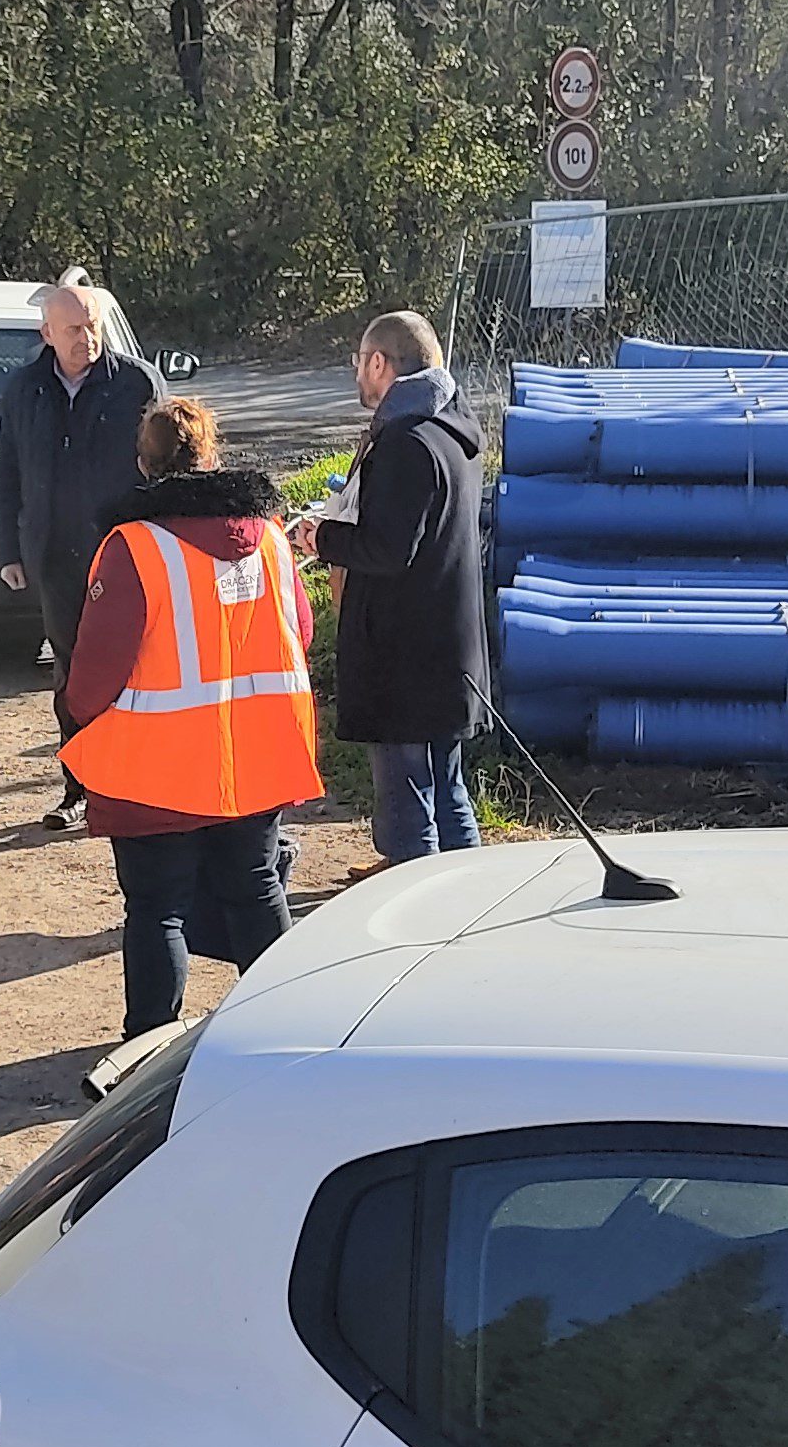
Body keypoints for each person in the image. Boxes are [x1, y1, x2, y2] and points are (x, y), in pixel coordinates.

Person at [61, 398, 323, 1038]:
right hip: (259, 757)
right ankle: (283, 1032)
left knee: (157, 908)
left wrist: (78, 719)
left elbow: (94, 676)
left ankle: (148, 1047)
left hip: (157, 769)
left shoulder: (133, 547)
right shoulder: (268, 539)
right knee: (258, 891)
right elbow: (303, 630)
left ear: (144, 466)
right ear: (213, 458)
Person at [295, 311, 488, 868]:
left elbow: (387, 549)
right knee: (445, 789)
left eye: (360, 360)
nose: (357, 372)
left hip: (404, 650)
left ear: (381, 363)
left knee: (409, 801)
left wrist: (322, 538)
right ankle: (466, 896)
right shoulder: (453, 430)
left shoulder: (404, 443)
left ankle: (416, 914)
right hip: (446, 645)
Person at [0, 282, 161, 831]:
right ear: (47, 333)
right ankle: (80, 787)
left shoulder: (134, 382)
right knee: (73, 675)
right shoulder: (24, 389)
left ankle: (136, 780)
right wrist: (9, 549)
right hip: (55, 557)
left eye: (93, 326)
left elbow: (166, 466)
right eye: (73, 329)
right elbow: (7, 472)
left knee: (137, 669)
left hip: (128, 555)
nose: (86, 338)